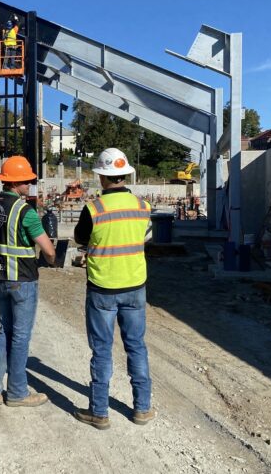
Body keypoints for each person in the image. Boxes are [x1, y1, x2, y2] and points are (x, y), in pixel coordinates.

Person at [72, 147, 156, 430]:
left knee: (102, 350)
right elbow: (145, 239)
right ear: (125, 174)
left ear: (102, 177)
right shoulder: (143, 207)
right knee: (136, 347)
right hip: (135, 286)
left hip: (103, 288)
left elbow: (81, 239)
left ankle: (100, 412)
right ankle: (142, 409)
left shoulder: (93, 208)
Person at [0, 156, 56, 407]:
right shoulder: (25, 211)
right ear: (17, 183)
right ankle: (16, 392)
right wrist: (52, 257)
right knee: (21, 336)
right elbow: (48, 250)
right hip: (22, 279)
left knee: (6, 329)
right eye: (27, 180)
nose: (30, 183)